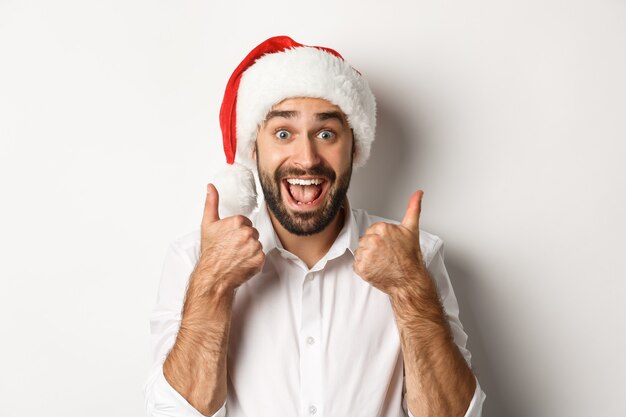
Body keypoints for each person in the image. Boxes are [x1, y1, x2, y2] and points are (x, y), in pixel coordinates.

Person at [143, 36, 486, 417]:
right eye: (283, 133)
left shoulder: (415, 256)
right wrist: (212, 285)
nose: (306, 159)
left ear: (354, 148)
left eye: (326, 134)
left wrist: (410, 291)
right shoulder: (193, 259)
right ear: (253, 149)